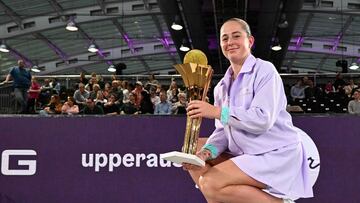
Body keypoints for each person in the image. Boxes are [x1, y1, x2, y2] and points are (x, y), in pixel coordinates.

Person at [184, 18, 313, 203]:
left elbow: (262, 119)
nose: (230, 42)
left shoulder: (265, 70)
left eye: (236, 36)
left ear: (250, 41)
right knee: (195, 151)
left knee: (210, 183)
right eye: (225, 38)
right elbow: (223, 131)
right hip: (247, 155)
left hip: (274, 154)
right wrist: (207, 152)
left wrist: (216, 111)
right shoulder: (221, 86)